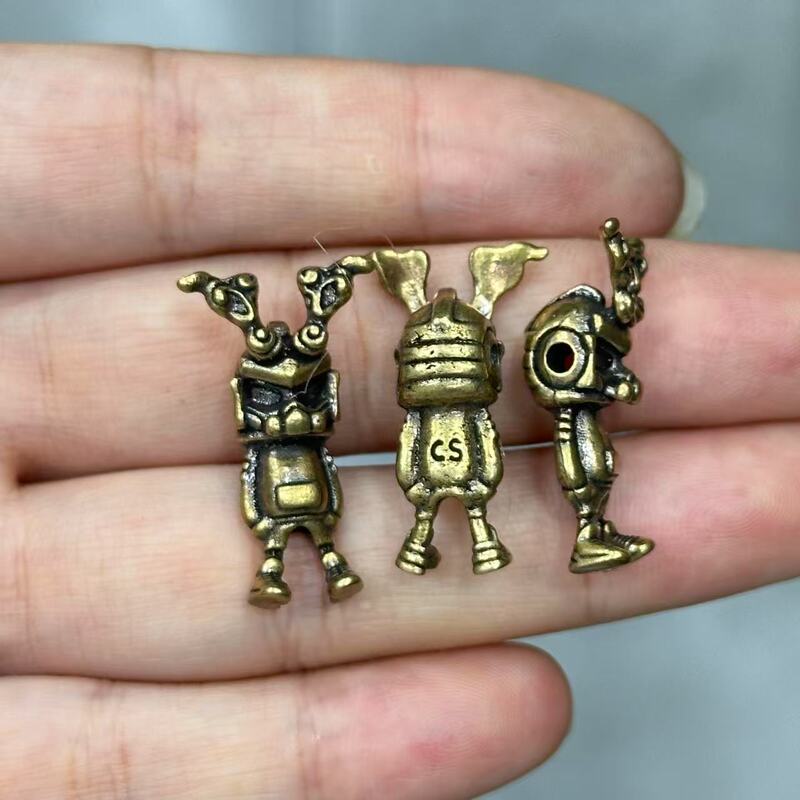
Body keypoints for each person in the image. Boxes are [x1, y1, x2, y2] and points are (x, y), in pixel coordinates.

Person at [0, 44, 796, 799]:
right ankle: (381, 548)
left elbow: (347, 402)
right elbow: (285, 418)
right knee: (358, 505)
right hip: (338, 450)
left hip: (433, 424)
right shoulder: (310, 389)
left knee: (458, 486)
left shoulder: (454, 359)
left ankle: (447, 538)